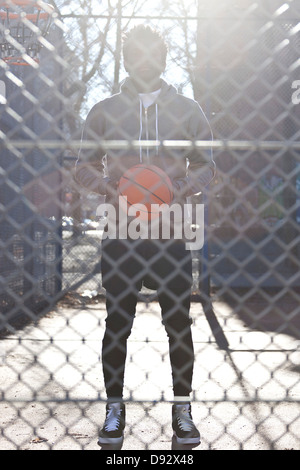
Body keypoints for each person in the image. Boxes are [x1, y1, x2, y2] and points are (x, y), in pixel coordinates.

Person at [76, 25, 215, 446]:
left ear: (163, 57)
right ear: (127, 58)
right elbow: (82, 167)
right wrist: (109, 189)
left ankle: (182, 410)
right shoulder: (103, 109)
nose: (145, 60)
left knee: (178, 323)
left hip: (170, 234)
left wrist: (179, 189)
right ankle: (114, 410)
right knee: (118, 322)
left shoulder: (189, 109)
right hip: (121, 231)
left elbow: (207, 166)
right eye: (137, 53)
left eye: (153, 52)